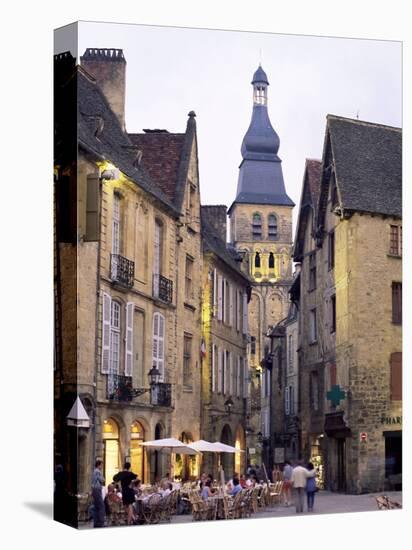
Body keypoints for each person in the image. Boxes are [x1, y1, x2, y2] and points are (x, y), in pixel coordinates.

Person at [91, 459, 105, 527]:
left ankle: (96, 523)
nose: (102, 466)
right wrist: (103, 479)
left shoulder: (94, 471)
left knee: (96, 507)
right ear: (99, 465)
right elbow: (102, 480)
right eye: (102, 464)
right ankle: (101, 523)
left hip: (94, 489)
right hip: (97, 489)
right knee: (101, 506)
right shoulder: (98, 471)